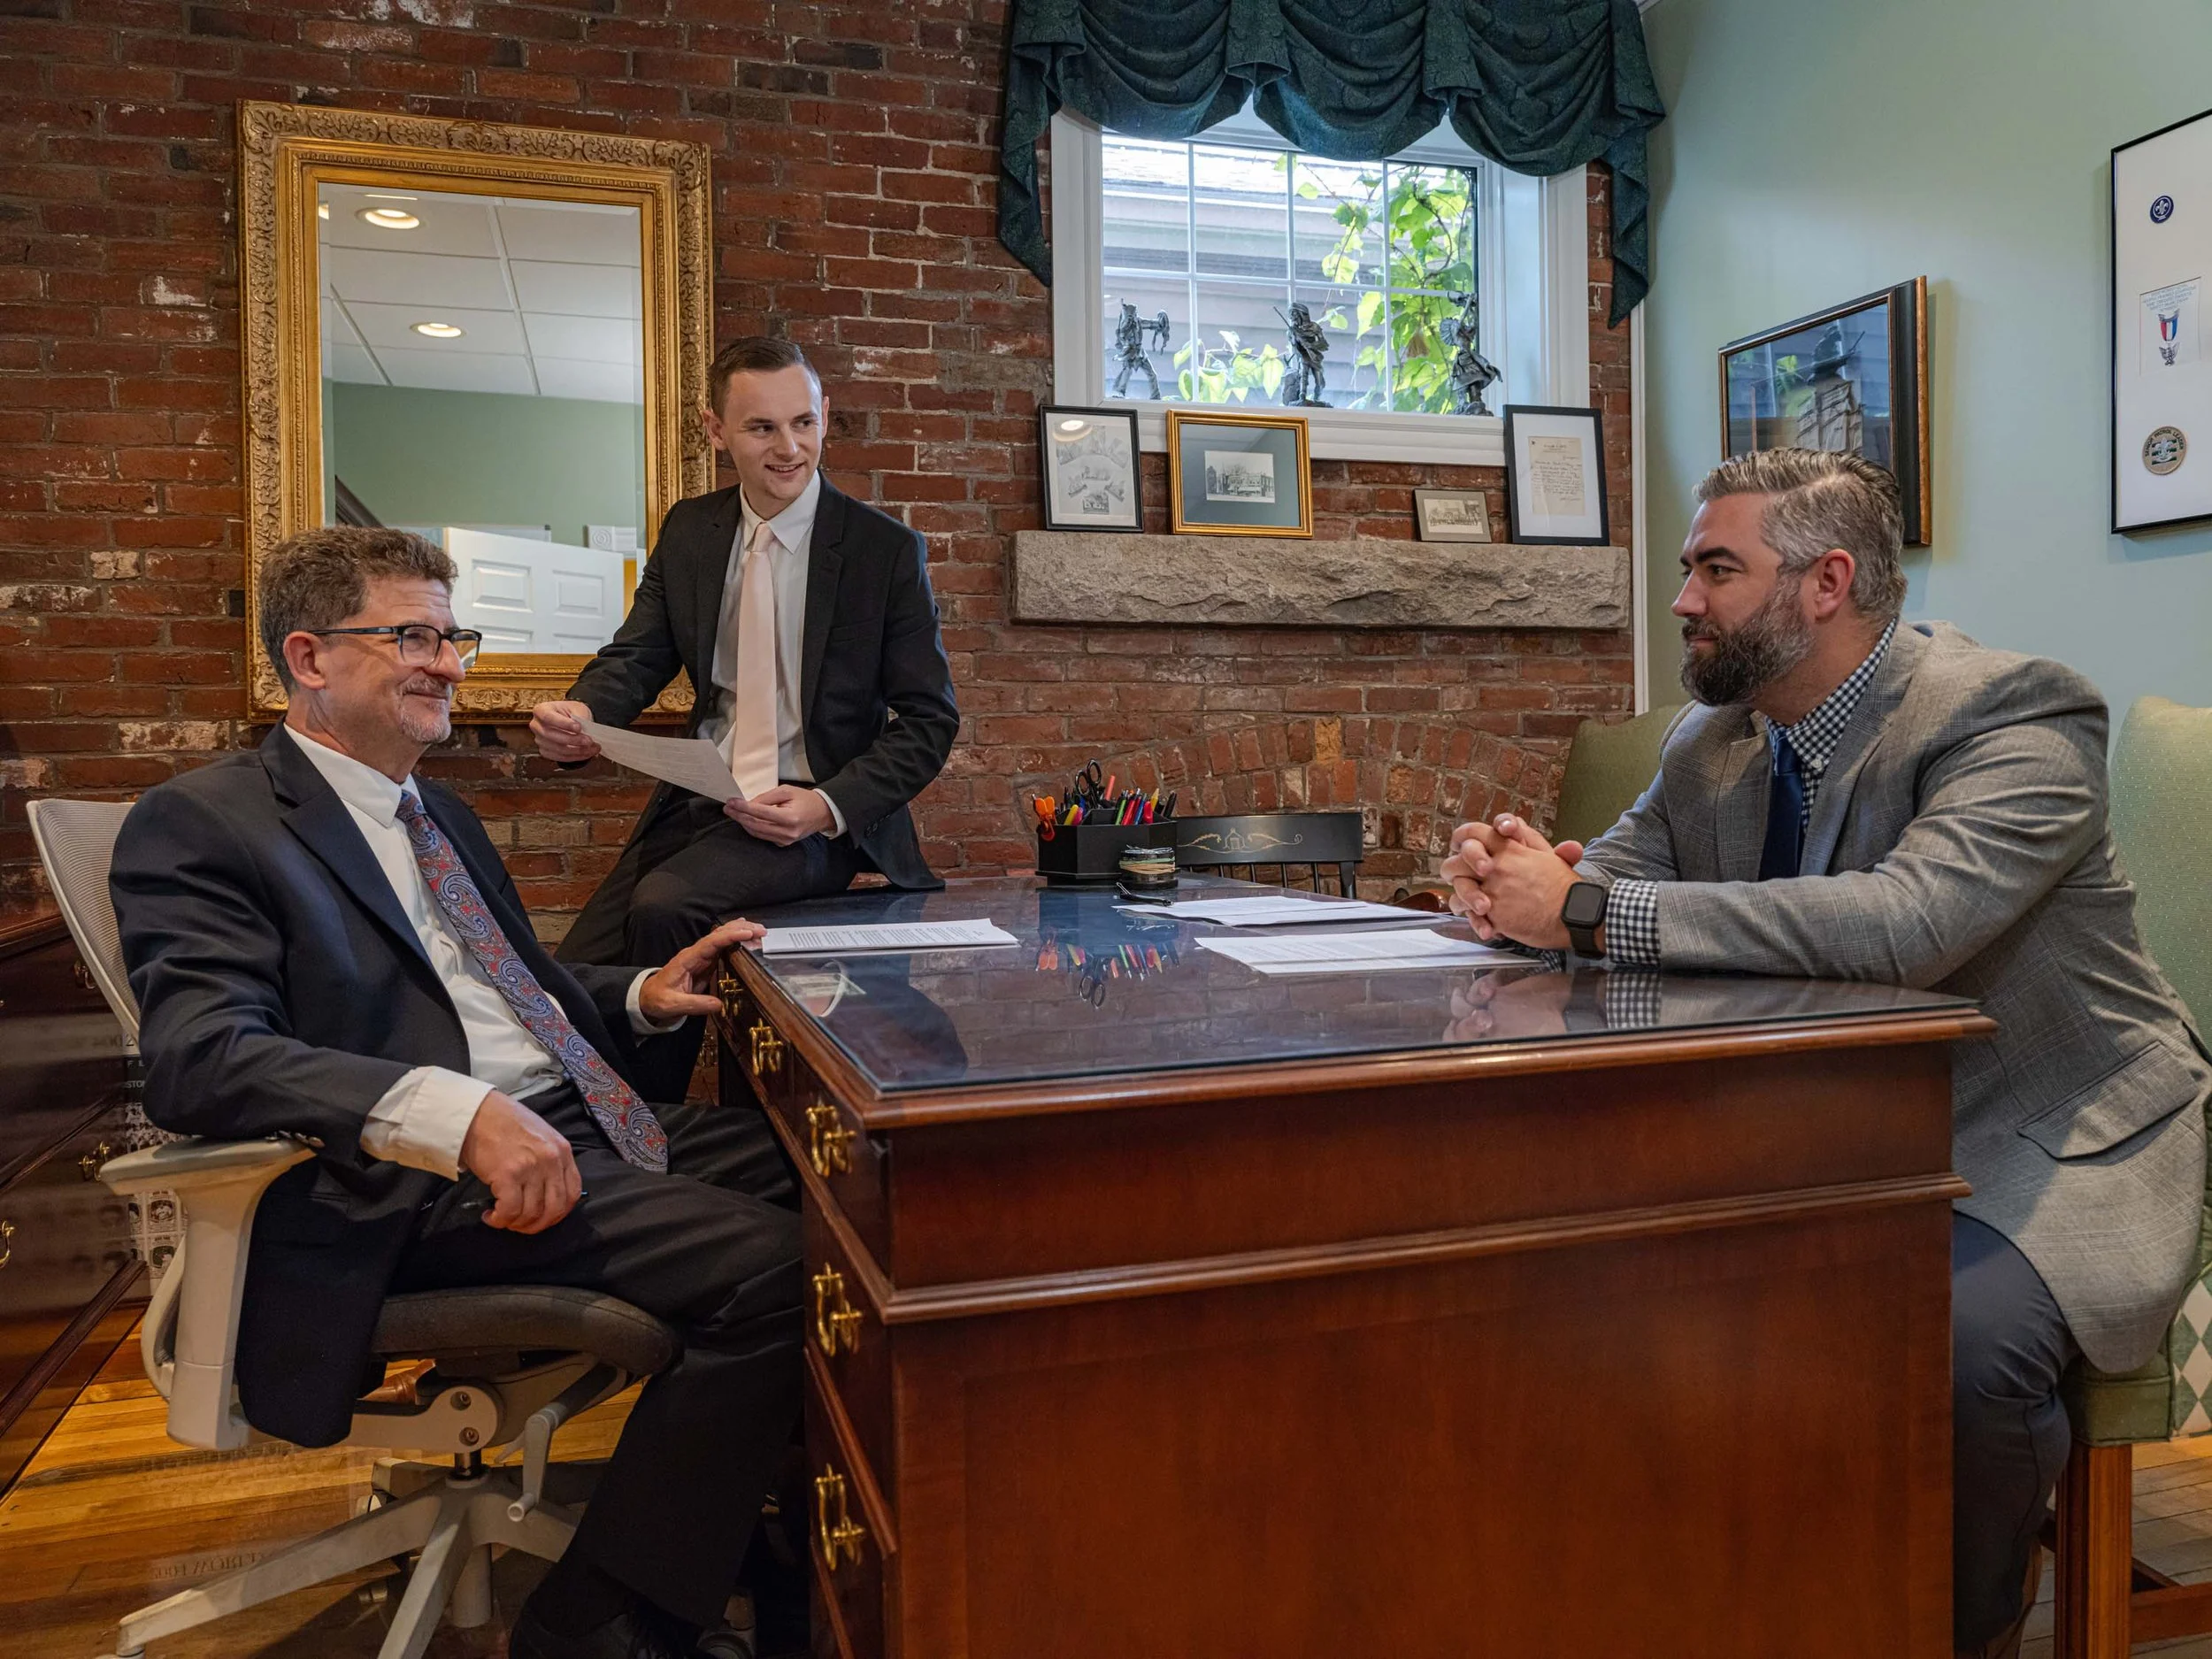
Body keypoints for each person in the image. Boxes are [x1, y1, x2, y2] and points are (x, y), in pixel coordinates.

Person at [1442, 448, 2211, 1659]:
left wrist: (1584, 908)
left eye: (1714, 567)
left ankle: (1952, 1632)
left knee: (1951, 1348)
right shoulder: (1715, 738)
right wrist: (1518, 882)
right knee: (1595, 1260)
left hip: (2047, 1124)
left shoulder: (2015, 710)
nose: (1682, 598)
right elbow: (1615, 881)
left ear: (1826, 581)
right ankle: (1725, 1581)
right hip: (1834, 1122)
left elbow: (1906, 925)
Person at [111, 526, 803, 1659]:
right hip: (406, 1186)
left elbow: (496, 990)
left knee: (862, 1180)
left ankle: (759, 1524)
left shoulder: (434, 813)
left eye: (451, 635)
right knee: (784, 1275)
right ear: (310, 656)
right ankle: (603, 1624)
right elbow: (202, 1056)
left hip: (572, 1120)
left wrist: (638, 997)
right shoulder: (207, 820)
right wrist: (452, 1113)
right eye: (410, 636)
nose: (445, 662)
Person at [533, 334, 958, 982]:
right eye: (762, 427)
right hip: (700, 801)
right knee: (573, 972)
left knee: (660, 908)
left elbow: (930, 720)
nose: (789, 448)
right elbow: (638, 655)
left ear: (823, 414)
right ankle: (613, 1087)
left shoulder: (886, 551)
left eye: (804, 423)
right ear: (715, 430)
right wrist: (582, 712)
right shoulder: (689, 531)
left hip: (818, 816)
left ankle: (655, 1092)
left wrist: (827, 806)